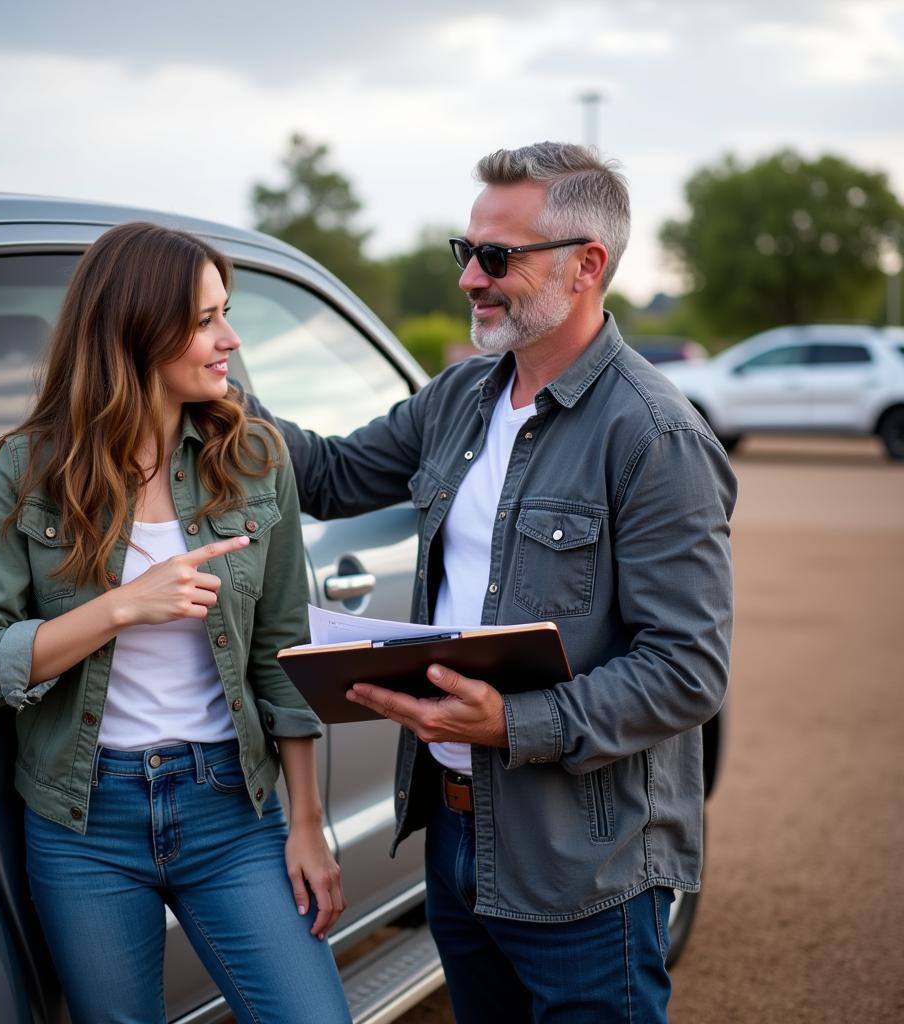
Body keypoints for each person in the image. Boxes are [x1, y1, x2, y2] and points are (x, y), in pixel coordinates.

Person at [250, 142, 737, 1023]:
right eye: (464, 252)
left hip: (586, 857)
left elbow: (688, 670)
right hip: (459, 826)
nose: (471, 277)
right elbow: (322, 475)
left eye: (498, 257)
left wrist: (512, 720)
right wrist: (210, 383)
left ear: (588, 266)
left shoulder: (655, 436)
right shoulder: (462, 396)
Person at [0, 223, 351, 1024]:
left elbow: (282, 653)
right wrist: (121, 607)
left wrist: (305, 825)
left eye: (223, 313)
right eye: (205, 320)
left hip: (232, 809)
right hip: (82, 821)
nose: (229, 338)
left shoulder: (256, 459)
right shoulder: (30, 472)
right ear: (135, 328)